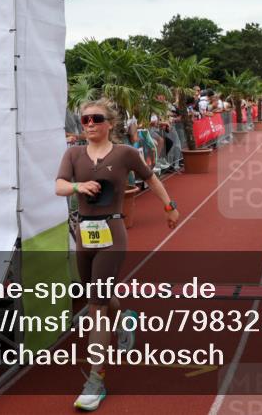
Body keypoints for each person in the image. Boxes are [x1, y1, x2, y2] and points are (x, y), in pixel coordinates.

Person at [54, 99, 180, 411]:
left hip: (112, 233)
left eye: (96, 118)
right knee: (95, 294)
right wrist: (78, 186)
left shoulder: (125, 153)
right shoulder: (73, 154)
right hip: (83, 233)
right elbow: (58, 186)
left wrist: (169, 206)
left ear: (110, 123)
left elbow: (150, 177)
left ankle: (95, 380)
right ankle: (124, 317)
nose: (90, 124)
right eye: (85, 120)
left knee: (95, 307)